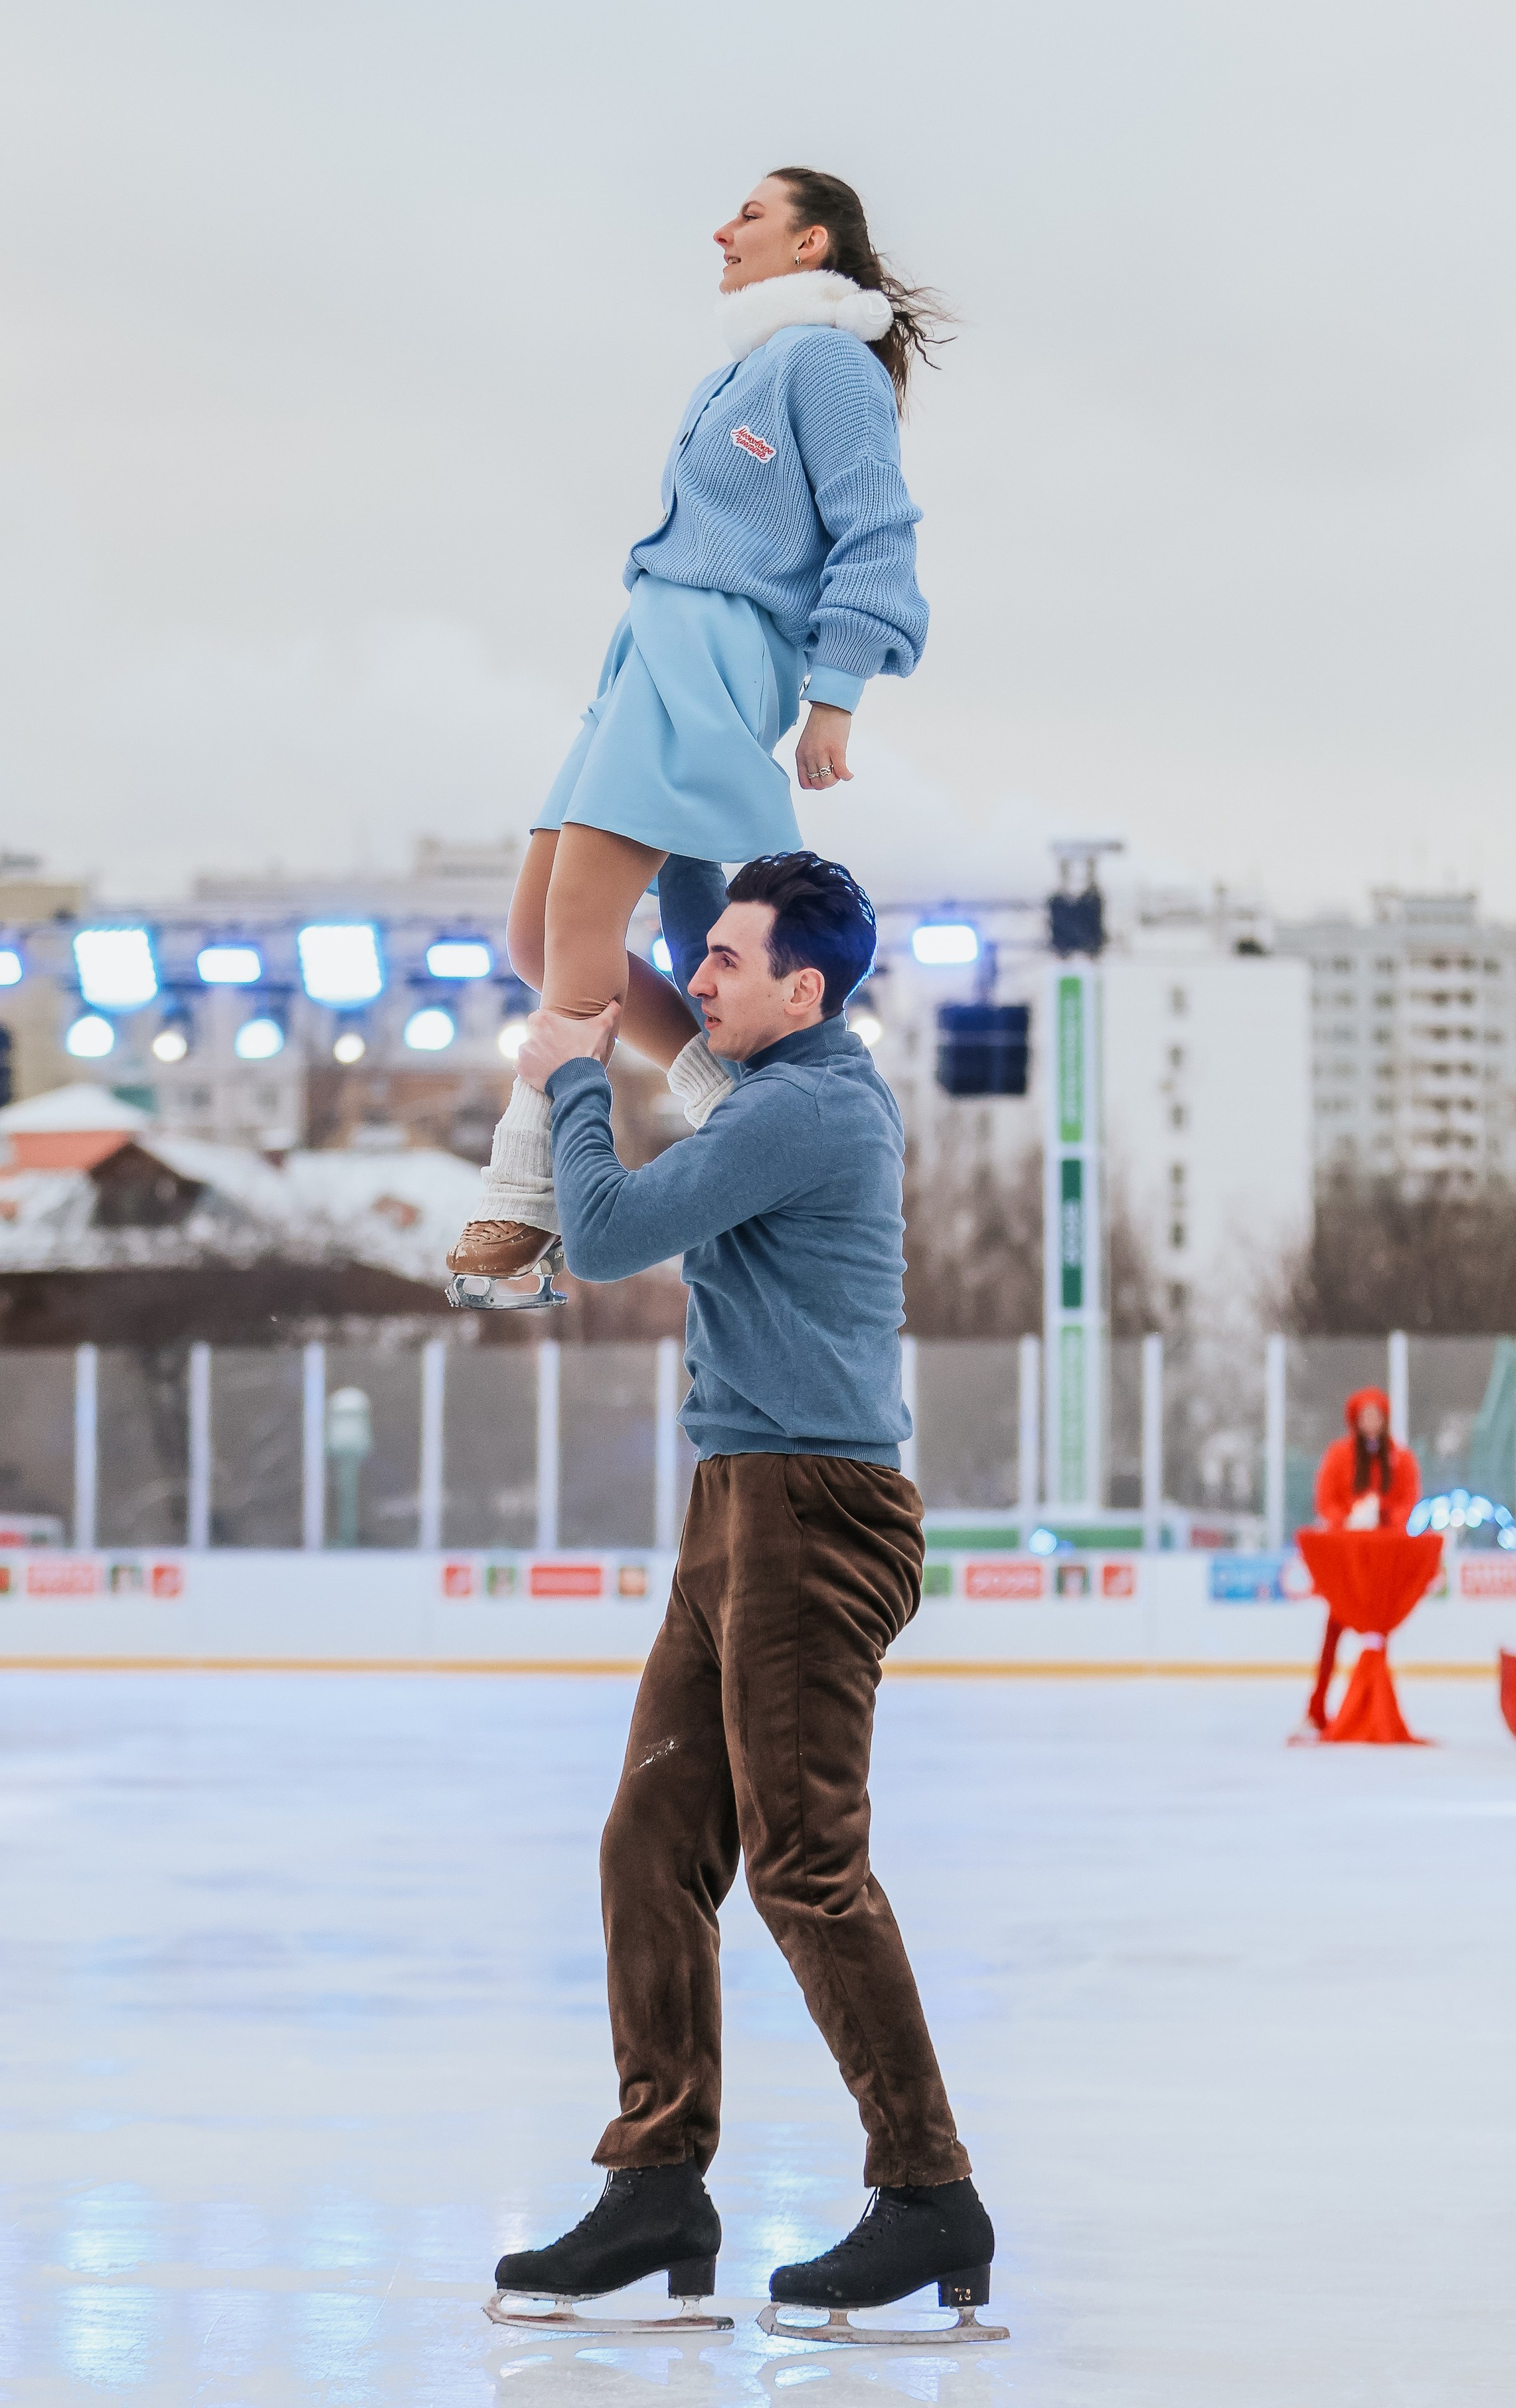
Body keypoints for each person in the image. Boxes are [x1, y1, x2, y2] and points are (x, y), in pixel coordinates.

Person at [487, 850, 999, 2340]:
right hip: (738, 1504)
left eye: (724, 960)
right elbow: (681, 918)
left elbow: (606, 1233)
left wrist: (575, 1073)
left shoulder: (808, 1109)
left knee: (802, 1864)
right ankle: (659, 2181)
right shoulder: (764, 1074)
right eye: (699, 954)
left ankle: (926, 2190)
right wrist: (654, 818)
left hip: (812, 1514)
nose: (695, 977)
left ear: (805, 991)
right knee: (651, 1840)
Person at [446, 168, 944, 1300]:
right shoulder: (745, 368)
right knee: (537, 937)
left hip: (718, 649)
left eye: (753, 214)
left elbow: (879, 530)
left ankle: (524, 1205)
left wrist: (837, 692)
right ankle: (719, 1086)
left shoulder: (825, 364)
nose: (723, 230)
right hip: (647, 651)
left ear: (812, 243)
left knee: (578, 925)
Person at [1305, 1388, 1422, 1732]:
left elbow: (1407, 1503)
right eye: (1365, 1416)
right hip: (1348, 1561)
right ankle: (1317, 1705)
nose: (1371, 1423)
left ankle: (1374, 1707)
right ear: (1355, 1420)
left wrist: (1383, 1515)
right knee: (1334, 1630)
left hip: (1383, 1561)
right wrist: (1350, 1518)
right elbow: (1326, 1501)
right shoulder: (1339, 1456)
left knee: (1378, 1634)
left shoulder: (1400, 1459)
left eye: (1378, 1416)